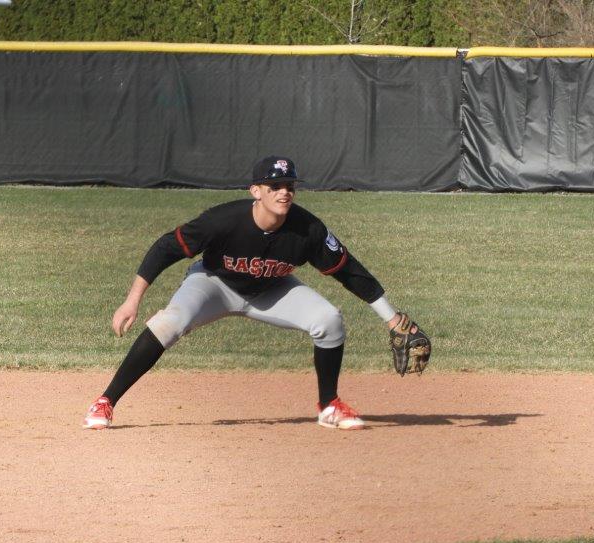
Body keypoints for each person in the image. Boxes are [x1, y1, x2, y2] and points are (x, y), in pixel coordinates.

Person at [83, 155, 428, 431]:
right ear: (256, 191)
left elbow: (348, 270)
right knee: (168, 324)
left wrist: (392, 317)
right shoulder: (223, 221)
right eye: (274, 185)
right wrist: (133, 300)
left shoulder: (307, 229)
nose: (284, 192)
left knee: (329, 320)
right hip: (213, 284)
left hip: (271, 290)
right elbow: (166, 248)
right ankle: (106, 401)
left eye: (289, 185)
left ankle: (329, 405)